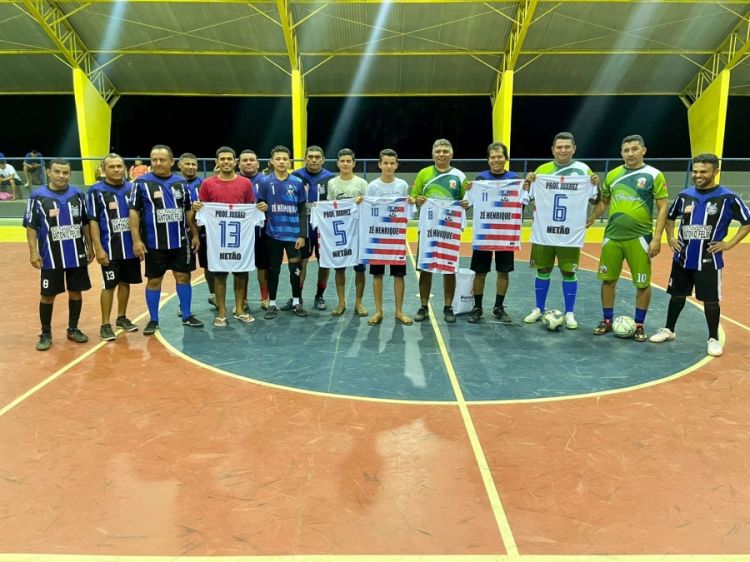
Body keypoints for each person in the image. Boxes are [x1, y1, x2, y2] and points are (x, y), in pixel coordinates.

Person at [649, 153, 750, 357]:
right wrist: (670, 237)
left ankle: (713, 338)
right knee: (677, 295)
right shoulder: (684, 195)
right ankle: (669, 330)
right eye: (695, 171)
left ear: (716, 172)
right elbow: (669, 217)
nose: (697, 175)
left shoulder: (728, 198)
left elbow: (747, 222)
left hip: (709, 260)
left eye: (703, 171)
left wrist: (729, 244)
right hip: (682, 257)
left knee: (710, 301)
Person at [587, 134, 668, 341]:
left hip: (639, 238)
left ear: (643, 150)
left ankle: (639, 324)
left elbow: (663, 207)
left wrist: (657, 237)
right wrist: (593, 217)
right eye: (626, 150)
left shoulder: (654, 175)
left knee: (642, 283)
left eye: (634, 149)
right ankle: (607, 321)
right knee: (608, 280)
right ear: (621, 153)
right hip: (612, 237)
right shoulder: (613, 175)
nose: (630, 154)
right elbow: (604, 201)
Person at [523, 132, 600, 329]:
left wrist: (596, 185)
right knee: (543, 269)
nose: (563, 150)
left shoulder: (583, 170)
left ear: (574, 149)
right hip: (545, 232)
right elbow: (527, 197)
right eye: (559, 147)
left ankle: (570, 313)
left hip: (569, 233)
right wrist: (528, 182)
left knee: (568, 272)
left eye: (567, 147)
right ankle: (538, 308)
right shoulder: (542, 170)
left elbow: (595, 199)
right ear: (553, 149)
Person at [129, 144, 203, 335]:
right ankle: (153, 319)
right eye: (154, 160)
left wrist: (195, 234)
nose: (158, 163)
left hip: (181, 241)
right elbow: (134, 212)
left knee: (183, 277)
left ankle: (186, 315)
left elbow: (188, 211)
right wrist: (136, 240)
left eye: (162, 160)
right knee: (154, 280)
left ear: (172, 162)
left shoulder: (181, 183)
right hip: (154, 243)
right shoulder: (141, 183)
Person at [24, 159, 94, 350]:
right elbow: (31, 226)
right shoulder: (38, 196)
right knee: (48, 295)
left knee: (76, 291)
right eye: (57, 171)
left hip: (76, 254)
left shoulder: (78, 194)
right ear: (48, 172)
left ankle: (73, 329)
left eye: (65, 172)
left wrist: (90, 246)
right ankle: (46, 333)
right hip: (50, 256)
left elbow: (85, 223)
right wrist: (33, 252)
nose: (61, 176)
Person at [193, 146, 265, 326]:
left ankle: (240, 309)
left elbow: (249, 207)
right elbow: (203, 209)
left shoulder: (245, 183)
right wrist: (198, 208)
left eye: (229, 159)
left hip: (241, 238)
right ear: (217, 162)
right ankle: (222, 312)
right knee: (220, 275)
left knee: (241, 273)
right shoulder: (207, 183)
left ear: (235, 162)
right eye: (222, 159)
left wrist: (259, 208)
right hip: (218, 239)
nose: (226, 162)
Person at [410, 138, 470, 323]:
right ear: (432, 154)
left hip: (449, 230)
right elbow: (413, 198)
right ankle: (423, 306)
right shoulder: (423, 174)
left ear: (451, 154)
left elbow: (467, 201)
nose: (441, 154)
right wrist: (417, 200)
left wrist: (466, 204)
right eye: (438, 151)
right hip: (428, 229)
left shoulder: (460, 176)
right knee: (425, 267)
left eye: (445, 151)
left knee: (449, 269)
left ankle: (448, 307)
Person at [86, 153, 142, 341]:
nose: (116, 169)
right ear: (104, 169)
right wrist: (98, 248)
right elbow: (93, 221)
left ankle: (121, 317)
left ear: (125, 168)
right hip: (110, 248)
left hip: (130, 247)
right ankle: (105, 324)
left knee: (125, 283)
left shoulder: (133, 188)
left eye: (119, 166)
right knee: (109, 285)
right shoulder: (96, 191)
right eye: (111, 167)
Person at [466, 141, 521, 324]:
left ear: (506, 158)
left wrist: (527, 186)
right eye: (492, 157)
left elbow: (523, 202)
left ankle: (499, 307)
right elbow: (469, 204)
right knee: (480, 272)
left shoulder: (514, 179)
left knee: (503, 272)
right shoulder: (480, 179)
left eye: (499, 156)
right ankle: (477, 307)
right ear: (488, 159)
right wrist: (468, 193)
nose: (496, 160)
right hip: (484, 233)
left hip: (506, 234)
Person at [256, 145, 307, 319]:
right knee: (273, 270)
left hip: (293, 235)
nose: (281, 162)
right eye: (278, 159)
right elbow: (260, 205)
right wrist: (261, 206)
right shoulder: (265, 182)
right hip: (273, 235)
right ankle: (272, 303)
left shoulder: (297, 182)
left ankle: (296, 302)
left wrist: (302, 235)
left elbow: (302, 209)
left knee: (295, 269)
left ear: (290, 162)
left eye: (285, 159)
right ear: (272, 161)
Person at [364, 148, 412, 325]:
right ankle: (378, 311)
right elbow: (367, 210)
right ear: (379, 164)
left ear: (397, 165)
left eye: (392, 163)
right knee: (377, 275)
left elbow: (406, 211)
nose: (389, 166)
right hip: (377, 239)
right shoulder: (372, 186)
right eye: (385, 163)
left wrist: (410, 202)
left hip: (396, 239)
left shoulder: (402, 185)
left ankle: (399, 312)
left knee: (399, 276)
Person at [291, 145, 335, 311]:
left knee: (324, 262)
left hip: (324, 228)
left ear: (323, 159)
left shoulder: (331, 178)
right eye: (310, 157)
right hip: (303, 227)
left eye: (317, 157)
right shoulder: (295, 176)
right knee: (301, 262)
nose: (314, 160)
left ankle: (319, 296)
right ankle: (298, 297)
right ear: (305, 159)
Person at [327, 148, 369, 317]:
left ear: (353, 163)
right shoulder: (332, 183)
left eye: (348, 161)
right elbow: (329, 207)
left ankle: (359, 303)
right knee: (339, 269)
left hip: (357, 233)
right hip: (340, 233)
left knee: (360, 270)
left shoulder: (361, 183)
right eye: (342, 161)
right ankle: (341, 302)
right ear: (338, 163)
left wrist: (362, 202)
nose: (345, 164)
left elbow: (368, 206)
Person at [177, 152, 213, 311]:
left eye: (193, 164)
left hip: (204, 232)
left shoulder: (205, 184)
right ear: (179, 165)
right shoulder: (174, 184)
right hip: (182, 233)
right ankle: (183, 304)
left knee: (209, 266)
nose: (190, 167)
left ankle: (213, 295)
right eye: (187, 164)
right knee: (184, 271)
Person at [239, 149, 270, 310]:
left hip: (262, 232)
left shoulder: (266, 181)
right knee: (241, 267)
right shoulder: (233, 181)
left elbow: (275, 202)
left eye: (252, 160)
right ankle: (242, 300)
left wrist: (267, 207)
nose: (248, 162)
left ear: (258, 164)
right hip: (240, 233)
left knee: (263, 266)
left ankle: (264, 298)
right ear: (239, 164)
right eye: (245, 160)